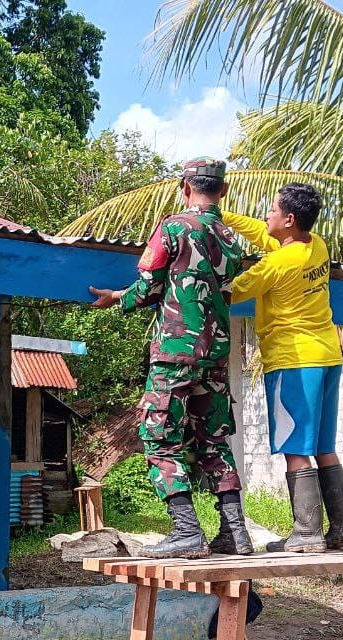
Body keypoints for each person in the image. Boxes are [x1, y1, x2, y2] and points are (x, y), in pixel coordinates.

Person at [88, 157, 253, 558]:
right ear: (223, 191)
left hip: (176, 352)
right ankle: (236, 533)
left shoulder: (174, 227)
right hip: (215, 355)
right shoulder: (231, 239)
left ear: (185, 187)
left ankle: (186, 531)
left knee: (159, 437)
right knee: (214, 441)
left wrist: (116, 298)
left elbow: (148, 286)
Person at [225, 182, 343, 552]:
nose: (266, 215)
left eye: (272, 209)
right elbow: (263, 234)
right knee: (323, 445)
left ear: (289, 219)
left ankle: (307, 534)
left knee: (295, 446)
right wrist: (226, 217)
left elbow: (231, 291)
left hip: (293, 363)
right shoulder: (316, 246)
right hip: (327, 356)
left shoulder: (278, 264)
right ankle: (342, 531)